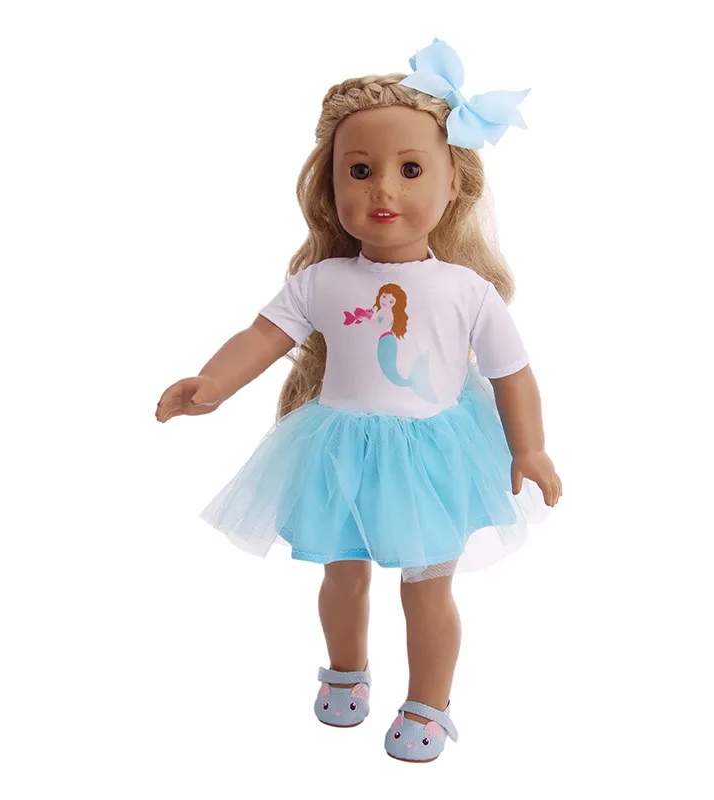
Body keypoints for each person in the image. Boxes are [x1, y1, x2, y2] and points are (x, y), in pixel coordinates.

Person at [155, 38, 562, 763]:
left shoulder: (467, 291)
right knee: (341, 575)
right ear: (331, 185)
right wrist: (213, 383)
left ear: (455, 181)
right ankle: (346, 669)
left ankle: (429, 702)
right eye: (361, 171)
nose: (384, 192)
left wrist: (528, 448)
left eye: (411, 170)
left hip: (432, 456)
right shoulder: (323, 282)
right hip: (338, 449)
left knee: (426, 589)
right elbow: (264, 335)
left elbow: (513, 373)